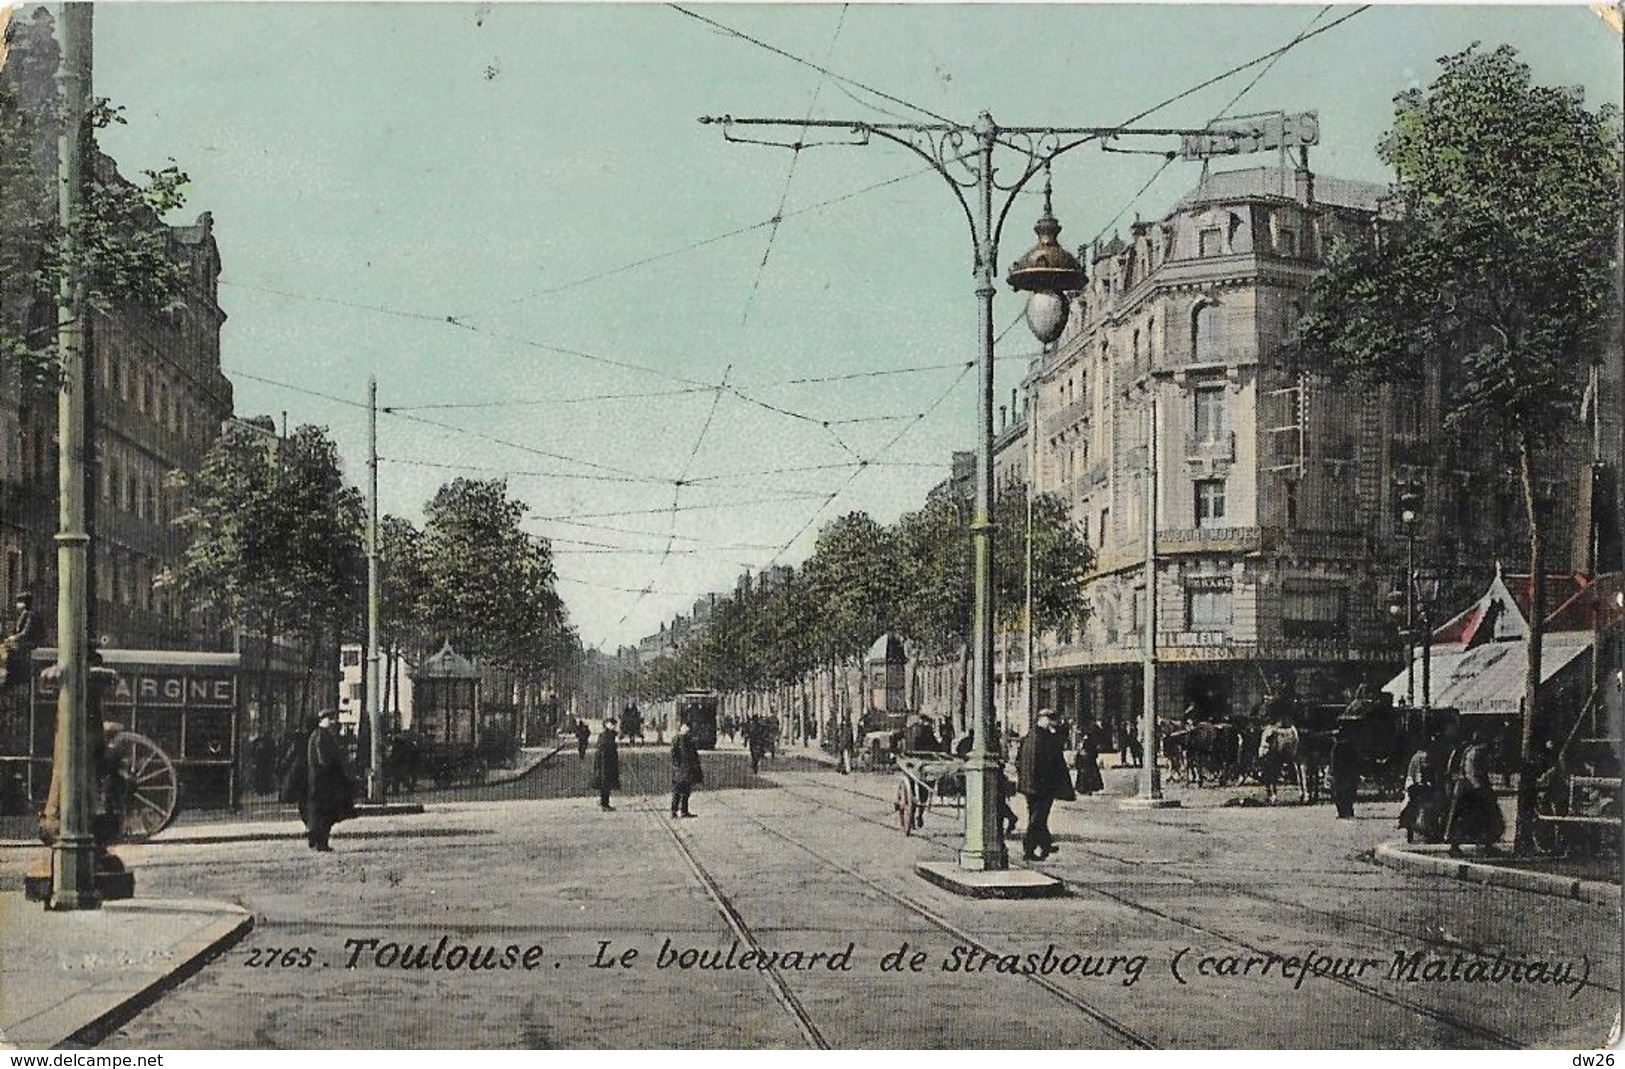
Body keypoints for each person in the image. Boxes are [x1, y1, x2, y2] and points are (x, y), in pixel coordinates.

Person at [1016, 709, 1075, 861]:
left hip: (1030, 785)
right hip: (1042, 786)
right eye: (1052, 720)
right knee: (1038, 818)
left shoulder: (1028, 737)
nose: (1053, 723)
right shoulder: (1045, 739)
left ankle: (1045, 843)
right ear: (1045, 720)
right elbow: (1051, 764)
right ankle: (1029, 849)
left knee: (1036, 815)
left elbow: (1018, 761)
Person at [1444, 729, 1505, 854]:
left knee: (1468, 817)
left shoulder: (1468, 750)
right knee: (1479, 816)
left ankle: (1481, 843)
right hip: (1471, 789)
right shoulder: (1477, 751)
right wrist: (1479, 788)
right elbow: (1471, 772)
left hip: (1464, 787)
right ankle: (1481, 843)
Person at [306, 710, 356, 852]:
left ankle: (316, 838)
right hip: (324, 780)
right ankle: (320, 841)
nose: (333, 721)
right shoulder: (321, 735)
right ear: (322, 720)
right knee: (325, 814)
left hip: (319, 780)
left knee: (320, 812)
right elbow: (324, 759)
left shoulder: (319, 734)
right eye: (330, 719)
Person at [1397, 743, 1445, 844]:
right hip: (1420, 787)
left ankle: (1415, 830)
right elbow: (1420, 773)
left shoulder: (1416, 756)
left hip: (1416, 785)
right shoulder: (1422, 757)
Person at [1, 592, 43, 689]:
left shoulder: (31, 615)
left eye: (20, 602)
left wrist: (14, 638)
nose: (17, 605)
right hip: (23, 642)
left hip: (29, 643)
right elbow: (17, 629)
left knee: (8, 653)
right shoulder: (25, 614)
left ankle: (10, 678)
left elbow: (25, 633)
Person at [669, 721, 703, 818]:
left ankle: (680, 811)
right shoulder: (681, 740)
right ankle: (677, 811)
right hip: (682, 769)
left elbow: (694, 756)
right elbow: (674, 754)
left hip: (684, 769)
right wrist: (677, 764)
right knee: (681, 791)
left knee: (682, 791)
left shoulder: (686, 740)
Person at [1329, 726, 1360, 819]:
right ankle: (1349, 810)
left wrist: (1332, 772)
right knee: (1349, 793)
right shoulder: (1351, 746)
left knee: (1339, 794)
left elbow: (1333, 762)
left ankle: (1342, 812)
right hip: (1349, 773)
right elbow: (1356, 760)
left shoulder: (1336, 747)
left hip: (1340, 774)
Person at [591, 718, 620, 811]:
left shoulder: (608, 734)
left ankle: (604, 802)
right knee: (605, 783)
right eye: (612, 724)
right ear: (607, 725)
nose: (614, 726)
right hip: (606, 763)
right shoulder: (606, 735)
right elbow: (605, 750)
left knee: (606, 783)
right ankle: (605, 804)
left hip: (607, 762)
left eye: (614, 725)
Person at [1072, 727, 1104, 796]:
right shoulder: (1085, 738)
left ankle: (1087, 788)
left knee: (1087, 773)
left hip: (1088, 758)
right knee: (1086, 773)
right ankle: (1085, 788)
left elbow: (1091, 748)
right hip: (1086, 758)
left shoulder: (1089, 737)